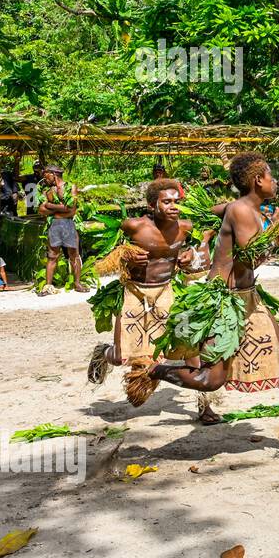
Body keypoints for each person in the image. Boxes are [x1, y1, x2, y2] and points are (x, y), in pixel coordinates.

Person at [147, 153, 279, 469]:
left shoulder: (245, 209)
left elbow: (217, 213)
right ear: (258, 180)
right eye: (270, 175)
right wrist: (277, 232)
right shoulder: (244, 211)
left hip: (247, 297)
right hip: (223, 302)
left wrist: (250, 222)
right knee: (210, 380)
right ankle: (156, 370)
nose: (274, 181)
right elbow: (250, 259)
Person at [85, 179, 222, 423]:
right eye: (166, 202)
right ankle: (102, 353)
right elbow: (105, 258)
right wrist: (125, 255)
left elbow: (201, 254)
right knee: (120, 357)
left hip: (167, 294)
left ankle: (205, 405)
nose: (173, 207)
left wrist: (191, 256)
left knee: (189, 350)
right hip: (134, 294)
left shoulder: (186, 227)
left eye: (176, 202)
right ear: (151, 205)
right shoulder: (133, 226)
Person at [38, 165, 87, 294]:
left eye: (46, 175)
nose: (44, 179)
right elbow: (41, 210)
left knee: (74, 255)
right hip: (54, 225)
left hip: (69, 224)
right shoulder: (46, 190)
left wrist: (50, 206)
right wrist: (59, 207)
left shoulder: (71, 187)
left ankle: (77, 283)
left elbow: (71, 210)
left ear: (53, 174)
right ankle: (48, 286)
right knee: (52, 255)